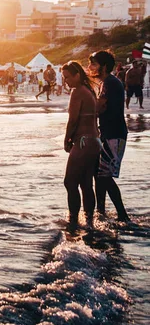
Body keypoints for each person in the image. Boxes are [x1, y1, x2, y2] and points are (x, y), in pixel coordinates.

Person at [88, 50, 130, 222]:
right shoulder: (110, 82)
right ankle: (101, 212)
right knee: (99, 175)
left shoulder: (109, 83)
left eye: (93, 64)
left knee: (104, 176)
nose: (90, 67)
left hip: (114, 134)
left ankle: (122, 215)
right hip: (111, 132)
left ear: (103, 67)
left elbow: (99, 107)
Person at [61, 61, 99, 230]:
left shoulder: (77, 92)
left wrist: (67, 139)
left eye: (68, 77)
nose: (66, 81)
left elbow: (73, 119)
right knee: (86, 184)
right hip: (94, 141)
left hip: (83, 142)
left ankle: (73, 221)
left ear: (77, 75)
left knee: (69, 182)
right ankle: (90, 222)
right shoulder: (89, 90)